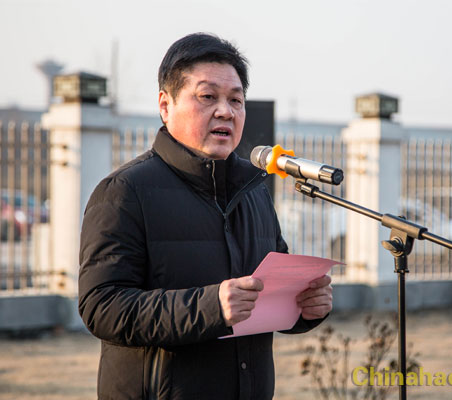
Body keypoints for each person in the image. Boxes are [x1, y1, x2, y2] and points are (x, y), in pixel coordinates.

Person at [78, 33, 333, 400]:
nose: (226, 111)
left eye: (236, 100)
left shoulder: (254, 191)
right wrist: (211, 306)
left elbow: (269, 299)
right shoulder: (124, 192)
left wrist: (305, 308)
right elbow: (102, 307)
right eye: (207, 97)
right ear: (165, 105)